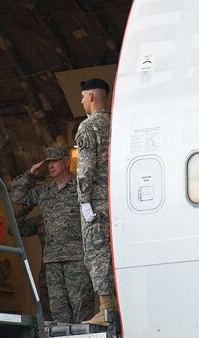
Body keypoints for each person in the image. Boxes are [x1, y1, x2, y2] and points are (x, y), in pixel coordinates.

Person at [11, 147, 93, 323]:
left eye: (55, 161)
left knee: (81, 308)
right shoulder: (44, 191)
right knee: (58, 311)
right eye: (48, 162)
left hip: (77, 257)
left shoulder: (80, 187)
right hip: (52, 259)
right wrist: (31, 174)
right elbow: (18, 196)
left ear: (66, 162)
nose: (51, 166)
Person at [75, 78, 116, 325]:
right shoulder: (115, 123)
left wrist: (83, 201)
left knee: (97, 253)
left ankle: (107, 309)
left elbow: (86, 167)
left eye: (82, 97)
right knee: (112, 254)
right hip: (115, 203)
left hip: (96, 205)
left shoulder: (88, 127)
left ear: (90, 96)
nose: (81, 101)